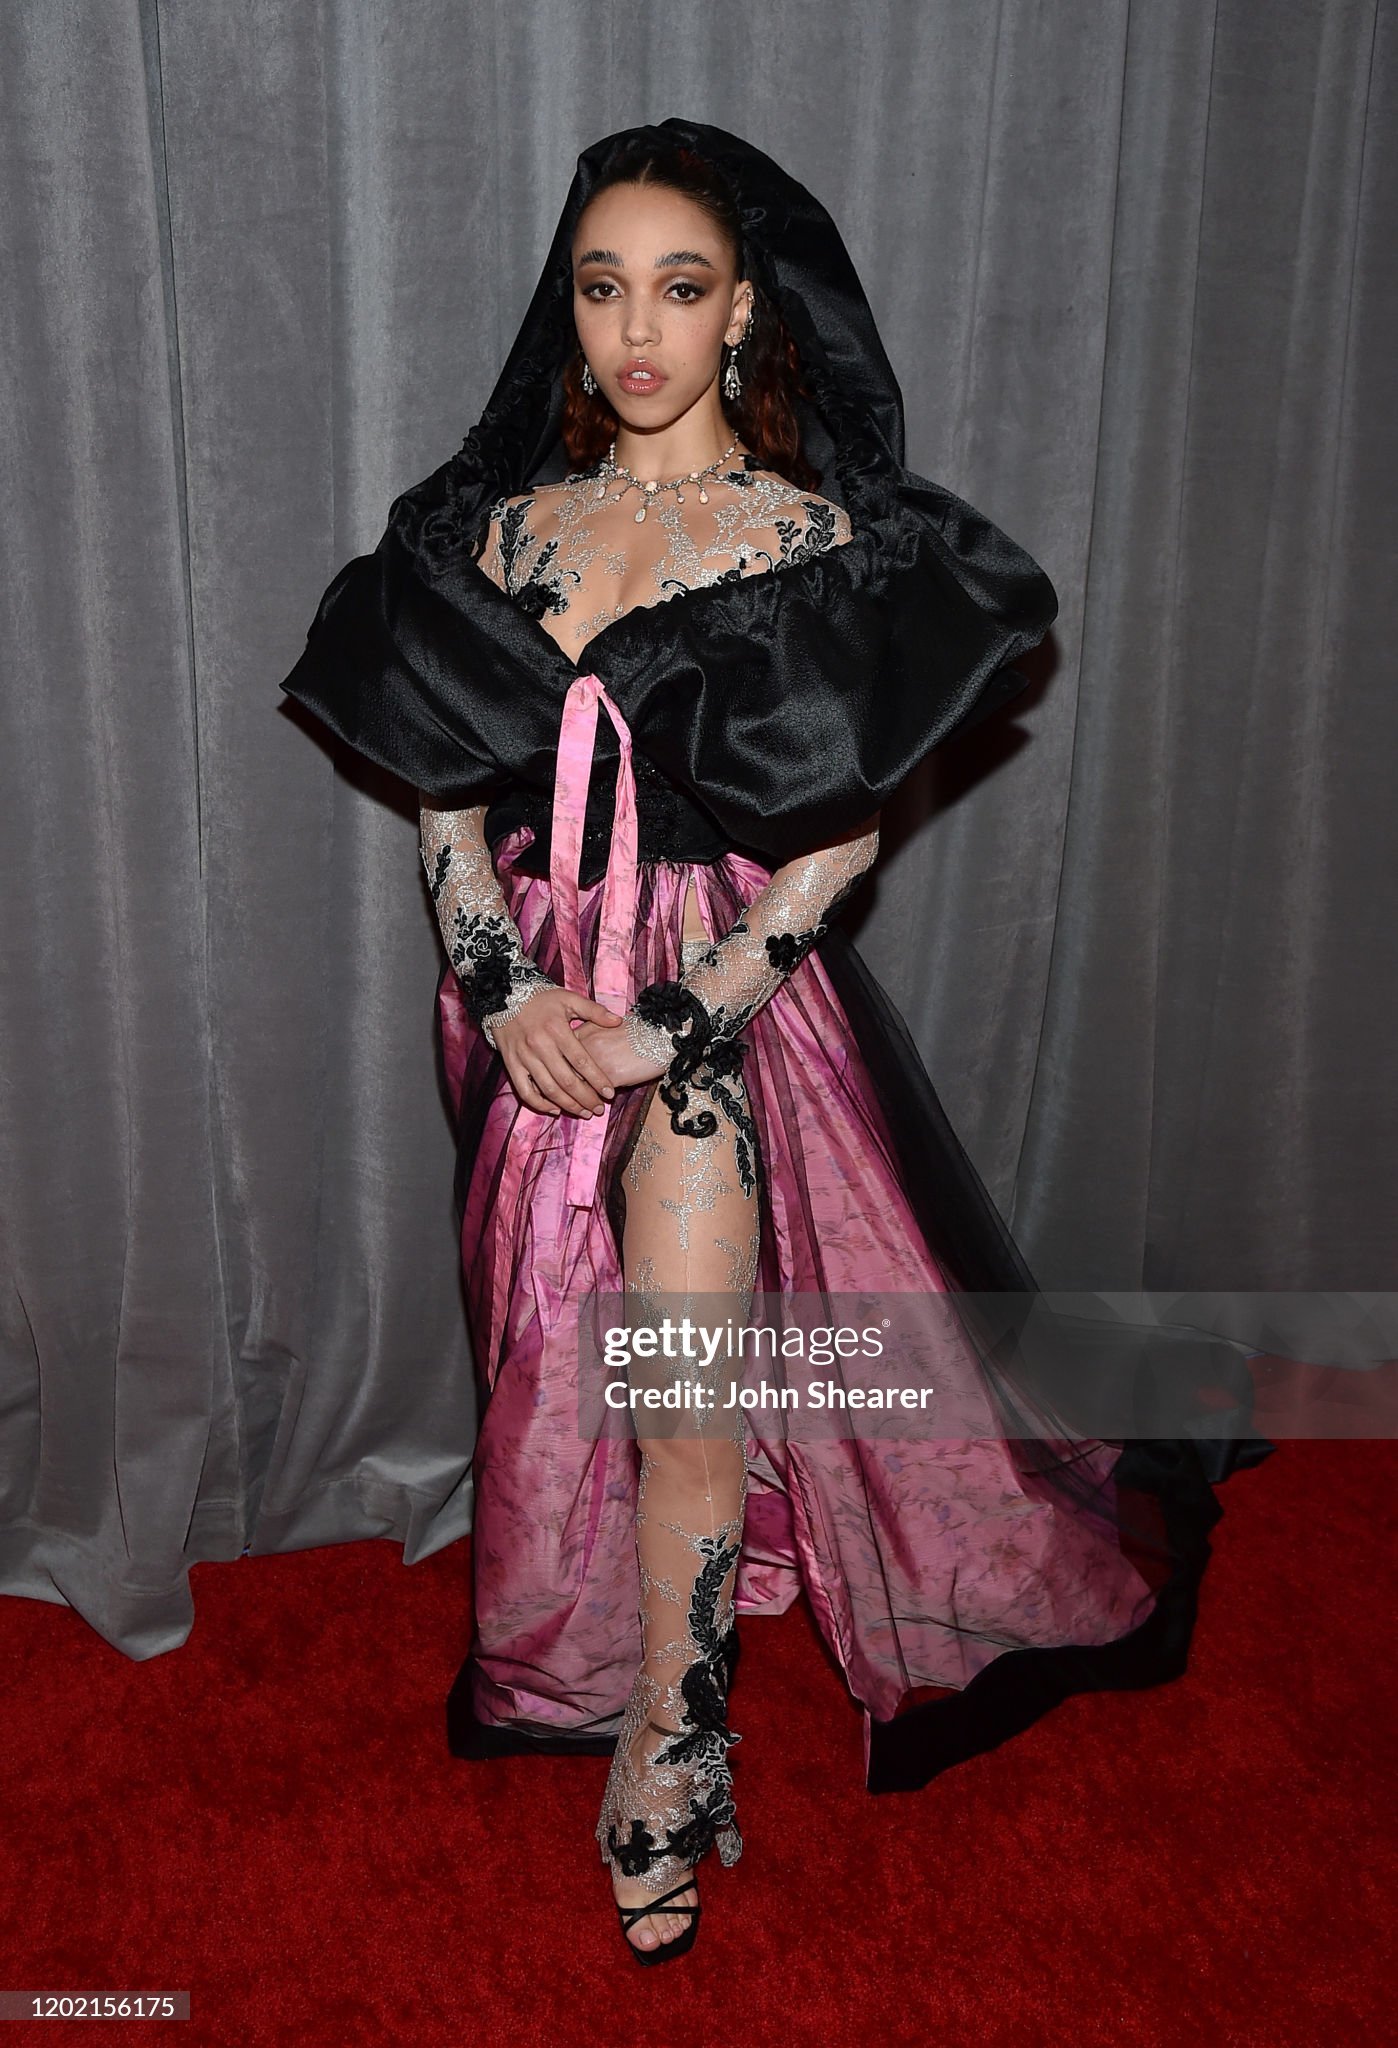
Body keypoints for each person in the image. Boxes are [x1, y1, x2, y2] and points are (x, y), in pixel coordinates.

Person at [281, 118, 1270, 1965]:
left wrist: (672, 1020)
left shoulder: (814, 544)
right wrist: (504, 992)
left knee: (681, 1391)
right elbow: (444, 803)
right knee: (549, 1364)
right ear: (569, 312)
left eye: (679, 288)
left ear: (742, 310)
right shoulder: (500, 534)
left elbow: (835, 848)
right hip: (530, 1008)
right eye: (602, 289)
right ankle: (610, 1657)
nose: (636, 328)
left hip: (708, 1019)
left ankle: (673, 1747)